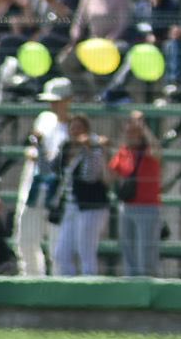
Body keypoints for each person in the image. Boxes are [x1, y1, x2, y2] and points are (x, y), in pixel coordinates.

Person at [12, 77, 72, 276]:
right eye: (51, 101)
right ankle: (31, 279)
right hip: (34, 187)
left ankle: (58, 283)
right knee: (25, 239)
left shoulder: (73, 127)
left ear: (69, 100)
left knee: (57, 245)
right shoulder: (44, 118)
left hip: (57, 193)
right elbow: (34, 144)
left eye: (58, 101)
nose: (53, 105)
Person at [50, 114, 110, 277]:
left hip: (91, 206)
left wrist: (89, 149)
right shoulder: (66, 148)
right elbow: (53, 169)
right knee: (61, 253)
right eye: (72, 127)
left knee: (86, 252)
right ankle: (67, 287)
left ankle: (89, 286)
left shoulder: (94, 148)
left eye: (79, 128)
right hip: (71, 206)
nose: (75, 131)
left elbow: (90, 176)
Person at [107, 111, 162, 277]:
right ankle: (131, 283)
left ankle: (148, 285)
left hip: (148, 208)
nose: (131, 133)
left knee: (146, 255)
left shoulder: (148, 150)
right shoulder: (123, 152)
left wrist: (143, 128)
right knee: (129, 252)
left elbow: (158, 152)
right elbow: (110, 176)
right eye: (129, 129)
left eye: (135, 130)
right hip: (127, 207)